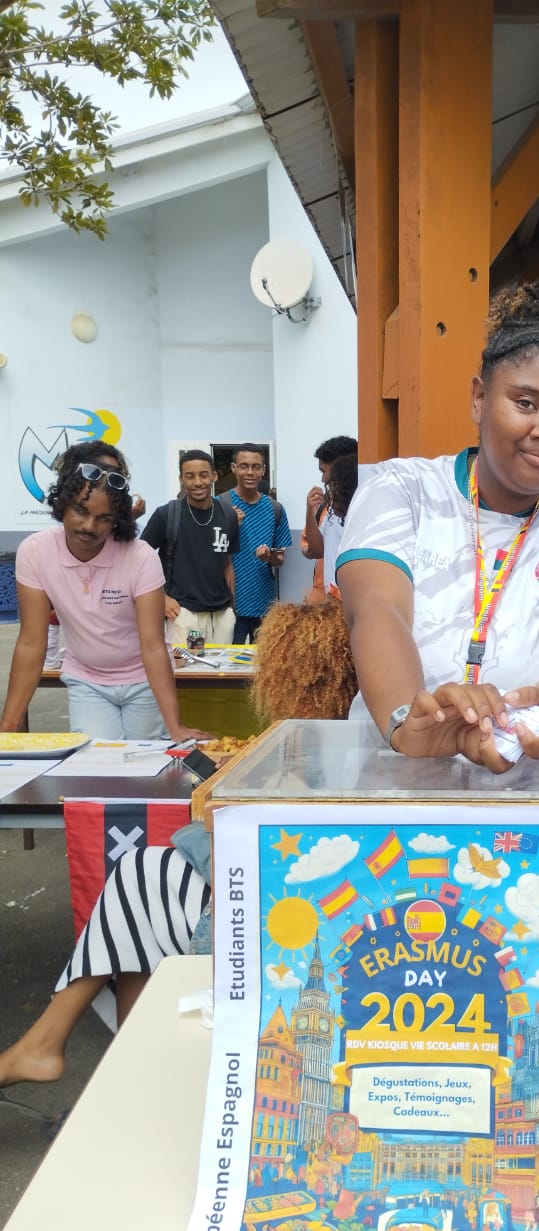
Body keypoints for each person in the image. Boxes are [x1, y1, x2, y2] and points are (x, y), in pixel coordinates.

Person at [0, 586, 361, 1090]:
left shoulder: (310, 747)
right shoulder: (348, 737)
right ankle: (114, 1066)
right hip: (303, 909)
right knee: (142, 888)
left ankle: (93, 1060)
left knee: (139, 880)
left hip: (276, 921)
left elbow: (248, 848)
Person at [335, 281, 539, 774]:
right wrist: (406, 722)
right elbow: (375, 610)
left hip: (535, 782)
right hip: (400, 779)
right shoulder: (402, 489)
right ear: (480, 398)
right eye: (526, 403)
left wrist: (534, 711)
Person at [0, 440, 205, 742]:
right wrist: (8, 726)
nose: (89, 526)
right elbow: (31, 642)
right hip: (87, 681)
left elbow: (152, 645)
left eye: (103, 519)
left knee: (144, 762)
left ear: (116, 521)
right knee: (94, 761)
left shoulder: (140, 557)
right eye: (80, 511)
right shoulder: (35, 552)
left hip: (142, 680)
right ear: (62, 504)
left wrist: (175, 726)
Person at [139, 449, 239, 647]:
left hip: (221, 616)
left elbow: (227, 563)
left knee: (221, 666)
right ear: (181, 479)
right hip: (185, 615)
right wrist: (162, 597)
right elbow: (138, 560)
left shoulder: (228, 515)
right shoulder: (166, 515)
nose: (197, 482)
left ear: (214, 476)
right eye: (190, 476)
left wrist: (231, 608)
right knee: (191, 665)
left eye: (203, 475)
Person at [225, 443, 292, 642]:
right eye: (244, 466)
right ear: (234, 468)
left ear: (263, 470)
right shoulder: (220, 505)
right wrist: (231, 527)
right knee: (227, 659)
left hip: (264, 605)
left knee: (264, 659)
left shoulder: (275, 509)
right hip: (227, 605)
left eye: (255, 467)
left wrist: (269, 556)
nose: (250, 472)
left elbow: (280, 559)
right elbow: (208, 555)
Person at [301, 435, 358, 602]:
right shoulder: (333, 505)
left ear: (341, 467)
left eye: (324, 471)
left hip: (352, 602)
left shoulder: (362, 504)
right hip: (332, 602)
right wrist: (310, 513)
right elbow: (318, 550)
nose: (323, 479)